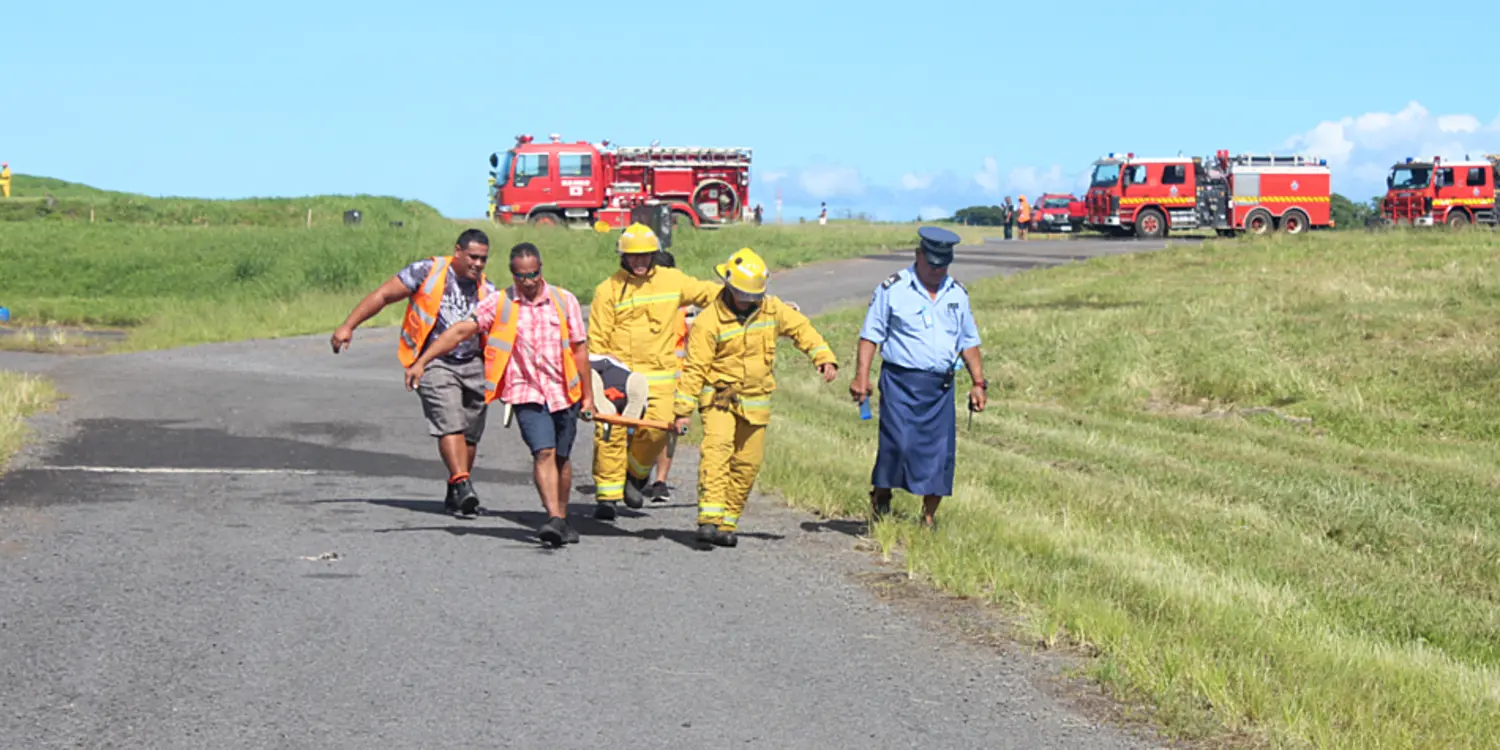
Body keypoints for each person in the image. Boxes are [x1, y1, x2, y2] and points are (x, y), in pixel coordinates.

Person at [404, 242, 594, 546]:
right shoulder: (500, 303)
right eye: (521, 276)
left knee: (561, 457)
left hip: (563, 391)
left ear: (541, 269)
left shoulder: (564, 300)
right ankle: (554, 519)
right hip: (526, 392)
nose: (529, 282)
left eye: (533, 274)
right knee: (542, 452)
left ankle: (562, 516)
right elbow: (459, 332)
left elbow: (580, 350)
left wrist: (588, 397)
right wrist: (421, 362)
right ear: (512, 274)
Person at [673, 248, 838, 547]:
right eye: (744, 296)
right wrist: (682, 409)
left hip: (756, 397)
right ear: (729, 287)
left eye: (754, 297)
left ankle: (727, 523)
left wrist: (823, 357)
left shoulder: (772, 309)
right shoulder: (709, 321)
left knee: (747, 463)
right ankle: (708, 519)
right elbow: (695, 368)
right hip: (720, 395)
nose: (750, 302)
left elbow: (801, 329)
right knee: (718, 450)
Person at [331, 229, 497, 517]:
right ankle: (463, 483)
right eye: (473, 257)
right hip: (430, 360)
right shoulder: (427, 272)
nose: (478, 264)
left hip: (473, 363)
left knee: (470, 434)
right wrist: (349, 325)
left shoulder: (488, 290)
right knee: (450, 423)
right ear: (457, 251)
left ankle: (455, 490)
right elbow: (383, 295)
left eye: (483, 259)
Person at [849, 226, 987, 529]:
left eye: (943, 265)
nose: (937, 271)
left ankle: (928, 518)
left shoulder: (957, 294)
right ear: (918, 255)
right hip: (901, 383)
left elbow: (968, 341)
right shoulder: (893, 289)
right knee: (898, 446)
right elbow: (870, 336)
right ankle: (882, 495)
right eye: (931, 264)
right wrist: (862, 377)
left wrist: (978, 383)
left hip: (939, 388)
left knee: (940, 454)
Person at [587, 223, 722, 519]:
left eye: (646, 256)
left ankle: (634, 476)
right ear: (622, 257)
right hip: (620, 375)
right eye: (634, 257)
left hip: (659, 378)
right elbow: (596, 344)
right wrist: (600, 383)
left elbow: (708, 293)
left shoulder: (672, 280)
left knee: (656, 432)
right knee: (611, 430)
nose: (640, 262)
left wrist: (746, 297)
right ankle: (607, 497)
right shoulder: (607, 290)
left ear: (654, 255)